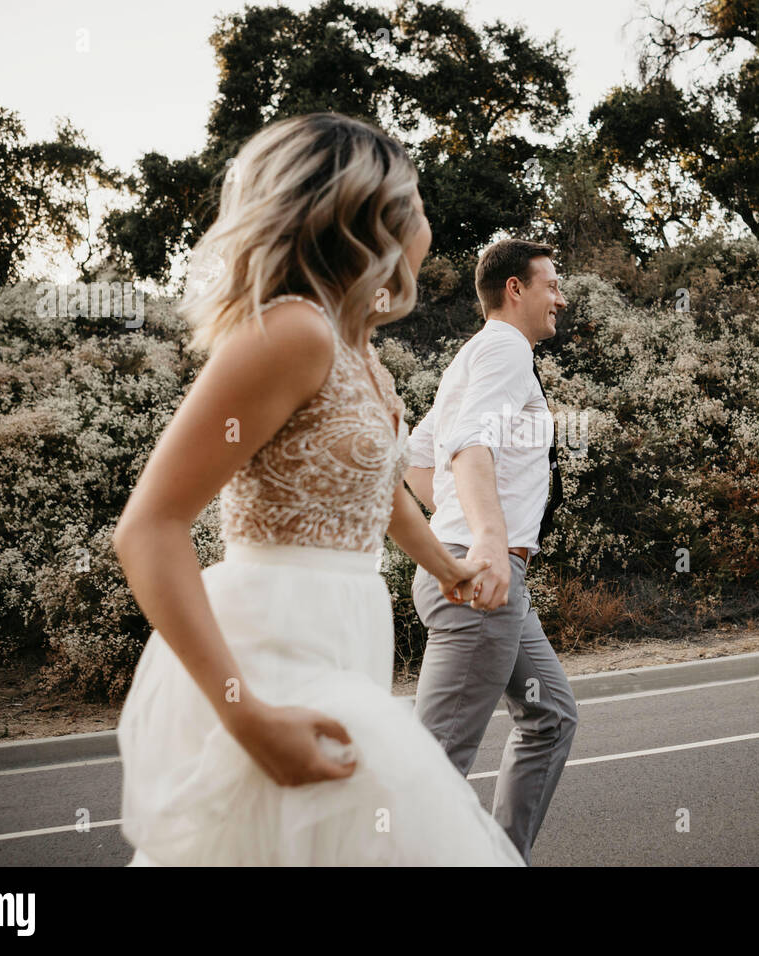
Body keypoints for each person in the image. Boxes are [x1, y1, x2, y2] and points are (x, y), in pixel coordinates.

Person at [112, 112, 525, 866]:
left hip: (346, 630)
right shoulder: (292, 332)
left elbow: (372, 488)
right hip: (273, 640)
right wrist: (248, 718)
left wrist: (443, 564)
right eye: (416, 199)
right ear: (373, 215)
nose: (427, 217)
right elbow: (149, 527)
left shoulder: (357, 348)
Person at [404, 238, 578, 865]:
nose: (560, 297)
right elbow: (469, 447)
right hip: (483, 576)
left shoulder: (469, 358)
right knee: (437, 765)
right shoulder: (505, 348)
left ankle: (501, 858)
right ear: (515, 289)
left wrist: (456, 522)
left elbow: (420, 462)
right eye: (551, 284)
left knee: (551, 716)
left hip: (486, 576)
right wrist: (483, 539)